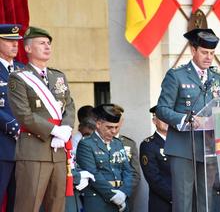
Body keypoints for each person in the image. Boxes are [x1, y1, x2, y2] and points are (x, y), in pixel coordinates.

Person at [7, 26, 75, 212]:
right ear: (28, 48)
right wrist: (54, 130)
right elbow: (23, 114)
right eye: (42, 43)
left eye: (49, 43)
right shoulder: (19, 78)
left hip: (59, 151)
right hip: (34, 152)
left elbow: (69, 106)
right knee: (28, 206)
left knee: (57, 206)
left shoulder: (58, 76)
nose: (47, 47)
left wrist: (67, 130)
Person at [156, 28, 220, 212]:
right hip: (183, 147)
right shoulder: (176, 76)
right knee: (183, 200)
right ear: (193, 51)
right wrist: (185, 119)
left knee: (206, 200)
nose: (209, 57)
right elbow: (162, 109)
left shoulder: (217, 78)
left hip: (208, 147)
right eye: (204, 52)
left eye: (212, 53)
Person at [76, 104, 134, 212]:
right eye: (109, 127)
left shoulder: (118, 143)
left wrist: (124, 193)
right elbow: (93, 174)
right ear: (98, 124)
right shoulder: (86, 144)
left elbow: (128, 171)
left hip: (121, 199)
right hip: (99, 201)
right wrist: (113, 196)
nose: (114, 131)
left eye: (116, 127)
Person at [0, 24, 24, 211]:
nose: (15, 45)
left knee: (19, 203)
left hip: (24, 148)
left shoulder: (23, 69)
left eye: (16, 41)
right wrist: (11, 124)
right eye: (9, 40)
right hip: (2, 145)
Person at [140, 105, 172, 212]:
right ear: (154, 121)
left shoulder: (180, 143)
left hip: (184, 201)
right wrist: (174, 197)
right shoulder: (148, 145)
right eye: (162, 118)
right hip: (162, 203)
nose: (166, 121)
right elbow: (153, 177)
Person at [113, 104, 141, 211]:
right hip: (102, 196)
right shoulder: (93, 143)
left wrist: (123, 192)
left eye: (117, 119)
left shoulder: (129, 144)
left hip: (125, 197)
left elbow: (135, 174)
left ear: (121, 121)